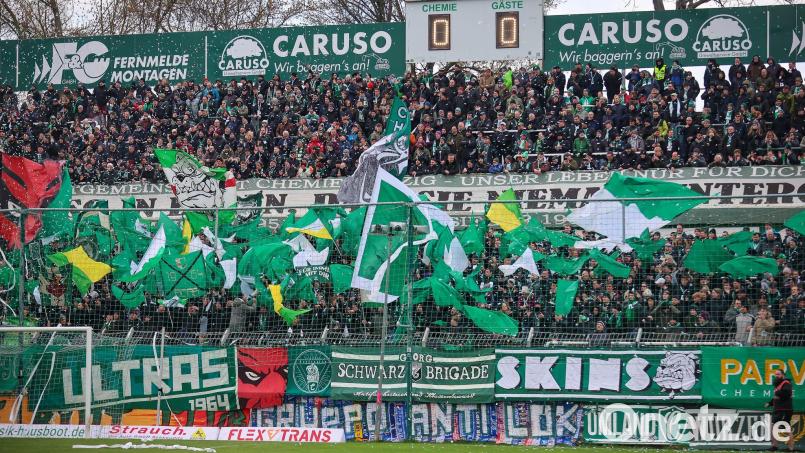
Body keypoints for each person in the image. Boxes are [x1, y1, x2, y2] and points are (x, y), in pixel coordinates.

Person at [767, 369, 794, 452]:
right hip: (778, 409)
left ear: (783, 375)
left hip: (784, 409)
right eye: (775, 374)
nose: (776, 376)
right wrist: (770, 403)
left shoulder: (786, 383)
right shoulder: (778, 385)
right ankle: (774, 446)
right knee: (774, 427)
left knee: (786, 428)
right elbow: (776, 397)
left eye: (778, 374)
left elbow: (787, 393)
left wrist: (778, 393)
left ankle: (791, 448)